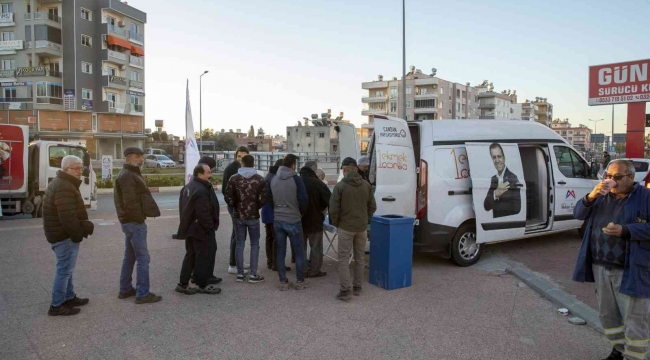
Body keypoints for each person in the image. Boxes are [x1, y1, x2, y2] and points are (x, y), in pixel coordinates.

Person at [573, 160, 650, 360]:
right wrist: (591, 196)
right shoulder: (600, 196)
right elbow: (577, 213)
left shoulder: (645, 197)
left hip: (631, 269)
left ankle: (635, 356)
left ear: (631, 178)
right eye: (607, 176)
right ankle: (618, 350)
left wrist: (626, 230)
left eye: (617, 177)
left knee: (635, 318)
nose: (611, 181)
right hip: (600, 265)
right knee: (608, 315)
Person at [43, 155, 94, 316]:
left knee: (67, 268)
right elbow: (67, 217)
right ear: (66, 170)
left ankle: (69, 297)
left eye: (81, 168)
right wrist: (77, 234)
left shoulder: (63, 182)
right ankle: (57, 305)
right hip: (63, 236)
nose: (80, 171)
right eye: (76, 168)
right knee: (64, 270)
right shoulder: (64, 186)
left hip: (60, 234)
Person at [114, 147, 162, 304]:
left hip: (129, 221)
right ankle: (142, 293)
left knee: (130, 256)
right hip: (134, 222)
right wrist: (139, 218)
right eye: (137, 157)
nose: (141, 159)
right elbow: (130, 202)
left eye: (142, 157)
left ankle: (125, 289)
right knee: (143, 257)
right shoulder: (128, 175)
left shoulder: (130, 173)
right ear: (128, 159)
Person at [329, 157, 376, 301]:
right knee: (360, 258)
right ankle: (357, 287)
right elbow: (372, 206)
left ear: (344, 170)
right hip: (361, 227)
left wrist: (338, 223)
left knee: (343, 259)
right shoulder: (366, 185)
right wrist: (365, 219)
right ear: (356, 169)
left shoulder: (340, 186)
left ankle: (345, 291)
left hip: (346, 227)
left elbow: (333, 209)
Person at [176, 164, 221, 295]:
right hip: (201, 230)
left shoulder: (188, 187)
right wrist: (210, 227)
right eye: (208, 172)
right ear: (200, 174)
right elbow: (203, 213)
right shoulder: (201, 190)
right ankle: (203, 284)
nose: (210, 174)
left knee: (190, 255)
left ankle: (183, 283)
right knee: (203, 256)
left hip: (190, 228)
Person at [268, 154, 309, 290]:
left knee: (280, 251)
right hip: (293, 219)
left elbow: (269, 199)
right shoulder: (296, 179)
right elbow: (303, 199)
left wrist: (277, 210)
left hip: (278, 219)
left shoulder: (273, 179)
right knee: (298, 252)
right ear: (293, 165)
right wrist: (300, 213)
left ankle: (283, 281)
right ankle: (299, 281)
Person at [225, 154, 267, 283]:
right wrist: (255, 207)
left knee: (239, 244)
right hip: (253, 216)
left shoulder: (234, 178)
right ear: (253, 163)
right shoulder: (259, 179)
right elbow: (264, 198)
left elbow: (228, 197)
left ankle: (240, 274)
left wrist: (236, 206)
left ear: (241, 163)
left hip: (238, 216)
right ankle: (253, 274)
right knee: (254, 244)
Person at [299, 160, 331, 278]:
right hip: (315, 220)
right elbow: (329, 201)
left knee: (300, 247)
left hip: (298, 220)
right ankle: (314, 270)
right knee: (316, 247)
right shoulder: (318, 183)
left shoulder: (296, 181)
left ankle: (302, 270)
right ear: (314, 170)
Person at [222, 146, 250, 275]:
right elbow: (225, 190)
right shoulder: (231, 169)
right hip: (235, 207)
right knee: (237, 234)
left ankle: (238, 261)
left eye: (243, 157)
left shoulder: (246, 169)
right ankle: (232, 264)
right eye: (239, 156)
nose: (241, 159)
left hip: (243, 207)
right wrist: (234, 204)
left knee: (241, 234)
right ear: (236, 156)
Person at [262, 159, 293, 271]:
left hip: (266, 212)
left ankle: (270, 262)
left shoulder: (268, 176)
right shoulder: (275, 178)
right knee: (277, 239)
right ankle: (276, 264)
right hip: (273, 211)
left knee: (269, 237)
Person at [483, 143, 521, 218]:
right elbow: (486, 206)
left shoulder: (513, 178)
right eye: (494, 157)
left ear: (504, 157)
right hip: (496, 225)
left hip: (507, 224)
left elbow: (517, 208)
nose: (497, 160)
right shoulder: (494, 179)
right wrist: (495, 194)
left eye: (499, 156)